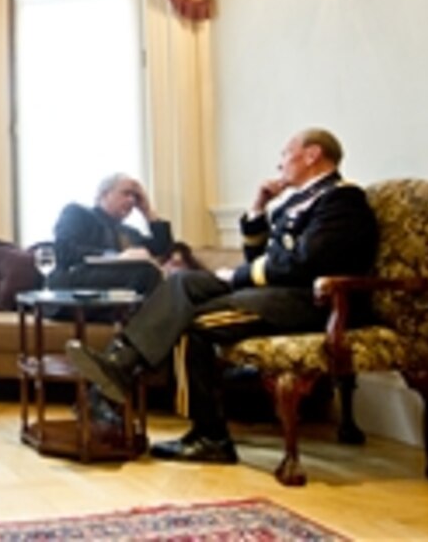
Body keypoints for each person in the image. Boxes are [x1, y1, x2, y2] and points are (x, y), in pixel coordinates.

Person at [66, 128, 378, 464]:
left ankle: (208, 434)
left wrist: (237, 276)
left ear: (312, 154)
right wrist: (259, 207)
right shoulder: (302, 200)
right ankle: (118, 364)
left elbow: (305, 263)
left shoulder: (341, 199)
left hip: (312, 301)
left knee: (192, 322)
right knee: (183, 283)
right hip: (280, 291)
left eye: (286, 152)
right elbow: (259, 254)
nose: (280, 162)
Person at [50, 173, 174, 296]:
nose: (132, 200)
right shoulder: (78, 212)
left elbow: (163, 249)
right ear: (104, 194)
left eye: (135, 197)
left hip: (123, 283)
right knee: (147, 273)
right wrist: (116, 256)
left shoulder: (130, 232)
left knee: (181, 281)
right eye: (126, 193)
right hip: (75, 282)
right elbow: (64, 250)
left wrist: (147, 211)